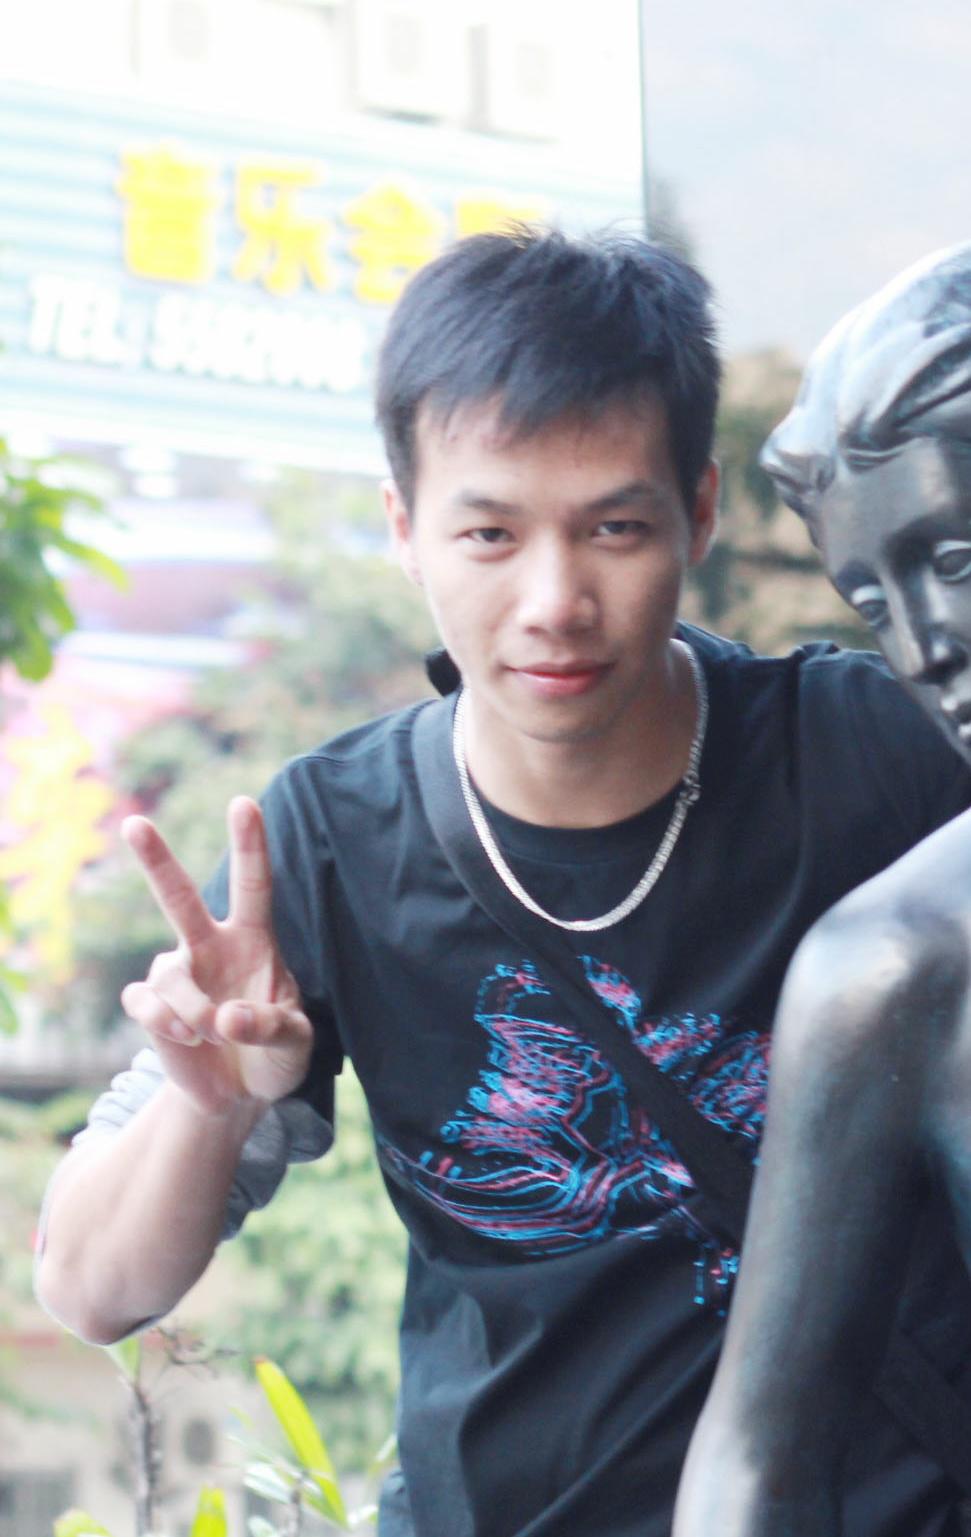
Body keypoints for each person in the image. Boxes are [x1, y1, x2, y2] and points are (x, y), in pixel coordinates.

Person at [35, 228, 971, 1537]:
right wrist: (211, 1107)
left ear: (699, 512)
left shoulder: (881, 751)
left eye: (615, 528)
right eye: (489, 532)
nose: (555, 600)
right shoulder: (329, 839)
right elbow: (92, 1290)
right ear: (404, 530)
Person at [673, 242, 971, 1537]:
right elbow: (755, 1468)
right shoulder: (899, 967)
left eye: (952, 559)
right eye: (869, 598)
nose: (922, 647)